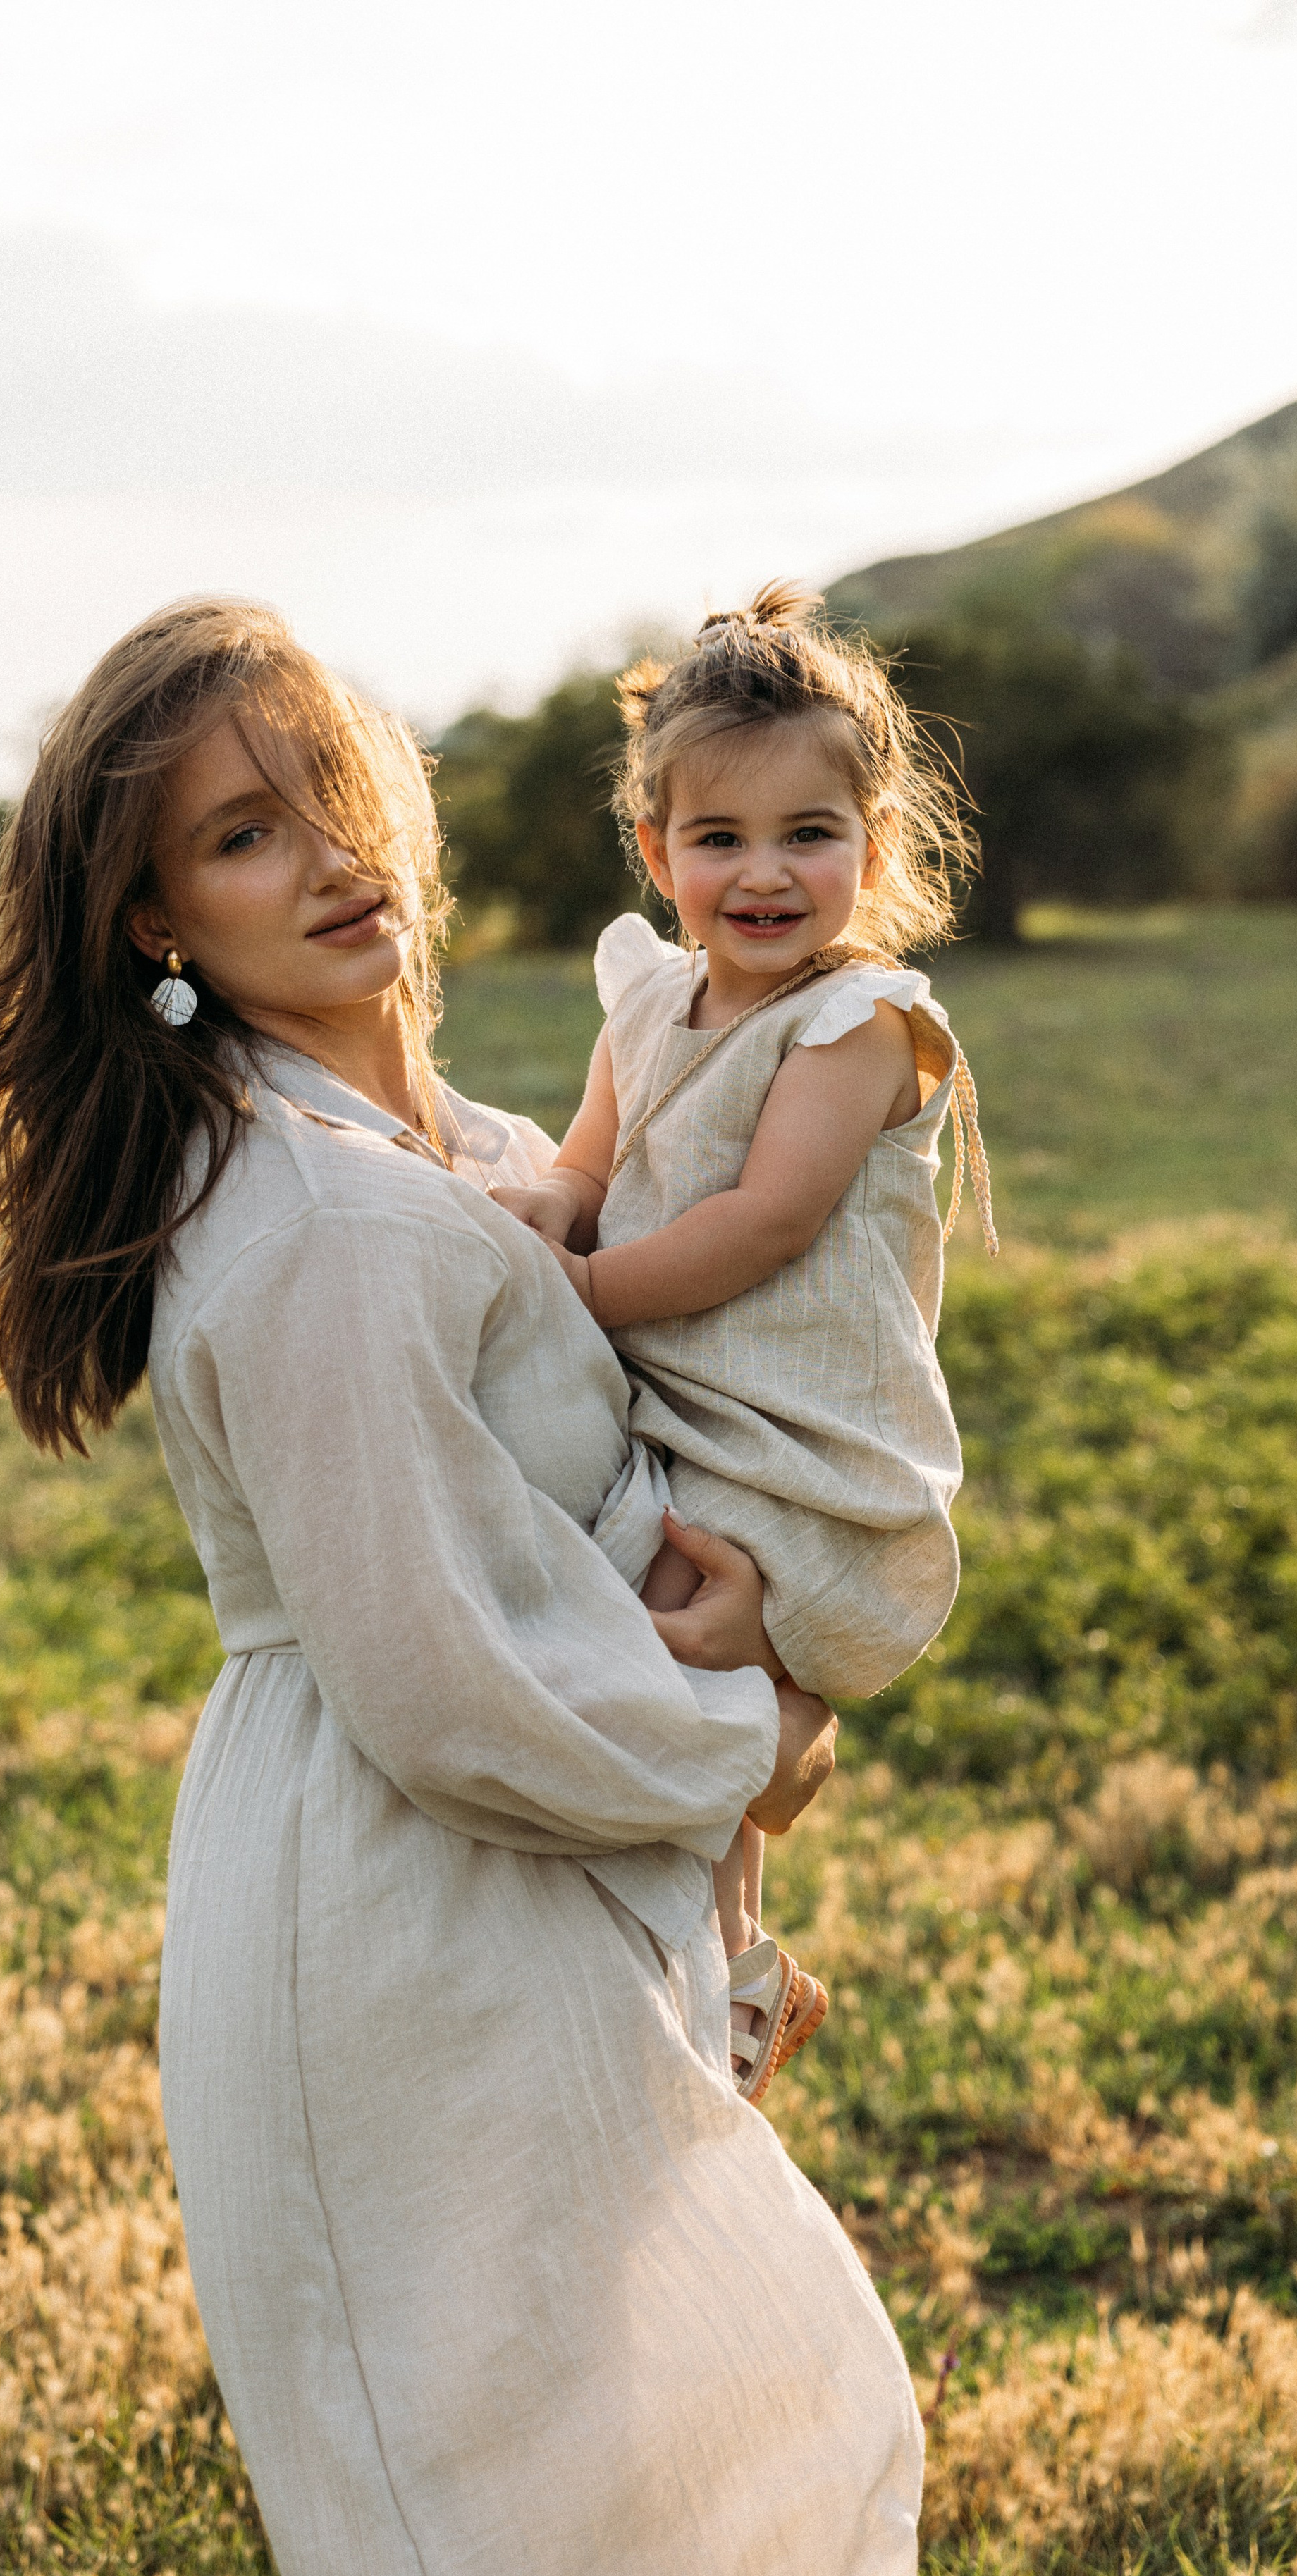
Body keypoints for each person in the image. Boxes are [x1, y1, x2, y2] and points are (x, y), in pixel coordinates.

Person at [0, 598, 932, 2576]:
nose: (330, 857)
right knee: (526, 2556)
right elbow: (447, 1677)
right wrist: (752, 1728)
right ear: (155, 923)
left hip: (541, 1863)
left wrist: (757, 1656)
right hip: (407, 1896)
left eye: (334, 793)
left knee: (676, 2472)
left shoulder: (467, 1158)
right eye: (242, 837)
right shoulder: (324, 1223)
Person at [493, 582, 995, 2105]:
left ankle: (729, 1962)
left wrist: (577, 1294)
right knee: (643, 1633)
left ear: (871, 845)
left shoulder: (859, 1027)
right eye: (719, 838)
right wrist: (547, 1210)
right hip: (686, 1402)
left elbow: (763, 1221)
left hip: (798, 1431)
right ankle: (714, 1942)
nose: (764, 873)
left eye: (807, 835)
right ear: (658, 854)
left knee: (687, 1628)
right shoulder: (648, 1001)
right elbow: (590, 1157)